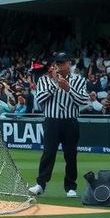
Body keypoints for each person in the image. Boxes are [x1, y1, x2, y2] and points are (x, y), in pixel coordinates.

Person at [29, 52, 89, 198]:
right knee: (48, 153)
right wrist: (56, 84)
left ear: (69, 63)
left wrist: (68, 88)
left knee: (71, 154)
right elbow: (40, 99)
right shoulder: (44, 80)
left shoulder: (79, 80)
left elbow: (83, 101)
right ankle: (40, 184)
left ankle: (70, 186)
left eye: (62, 63)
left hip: (70, 121)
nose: (59, 66)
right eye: (57, 63)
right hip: (51, 121)